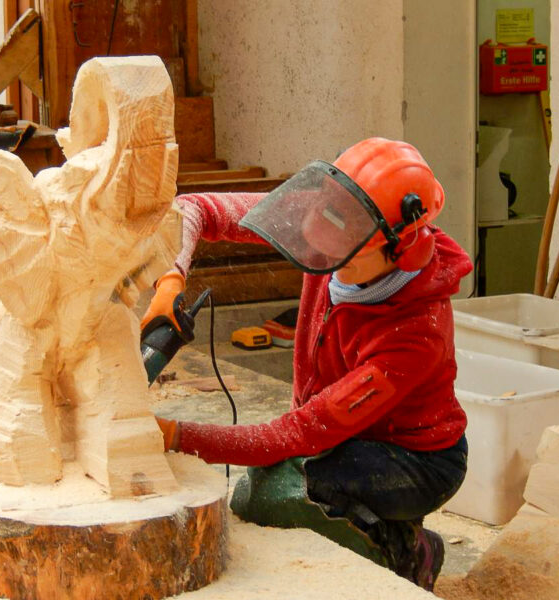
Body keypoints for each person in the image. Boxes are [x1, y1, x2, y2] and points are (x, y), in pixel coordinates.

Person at [141, 138, 473, 591]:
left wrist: (176, 437)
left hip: (412, 458)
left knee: (272, 496)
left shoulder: (415, 335)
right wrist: (170, 277)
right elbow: (195, 208)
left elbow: (295, 434)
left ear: (400, 250)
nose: (322, 251)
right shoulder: (334, 218)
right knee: (261, 483)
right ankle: (376, 526)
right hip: (346, 428)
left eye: (341, 251)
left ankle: (408, 552)